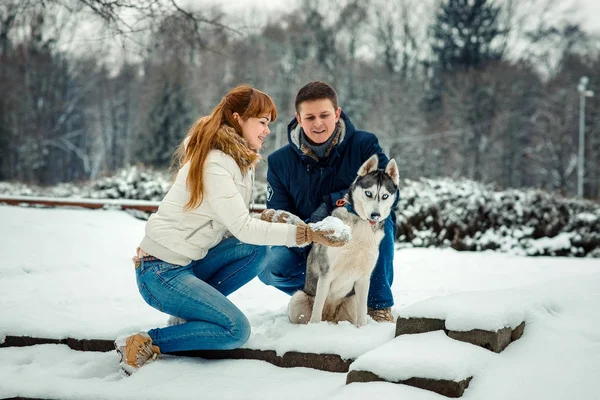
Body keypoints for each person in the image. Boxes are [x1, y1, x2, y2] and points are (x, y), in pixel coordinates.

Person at [115, 85, 347, 375]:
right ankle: (144, 342)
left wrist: (273, 219)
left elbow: (235, 224)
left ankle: (191, 318)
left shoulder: (238, 161)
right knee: (235, 329)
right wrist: (306, 235)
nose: (266, 131)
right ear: (238, 119)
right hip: (161, 272)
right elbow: (242, 227)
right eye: (261, 122)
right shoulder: (215, 162)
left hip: (187, 264)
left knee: (256, 251)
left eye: (268, 124)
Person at [258, 81, 398, 323]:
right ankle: (319, 297)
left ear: (337, 114)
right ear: (299, 119)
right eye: (310, 117)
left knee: (382, 219)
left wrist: (334, 202)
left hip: (358, 236)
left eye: (324, 115)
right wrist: (308, 233)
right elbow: (280, 213)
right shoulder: (280, 162)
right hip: (309, 244)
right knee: (268, 265)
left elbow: (388, 193)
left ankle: (378, 305)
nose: (318, 123)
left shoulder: (364, 145)